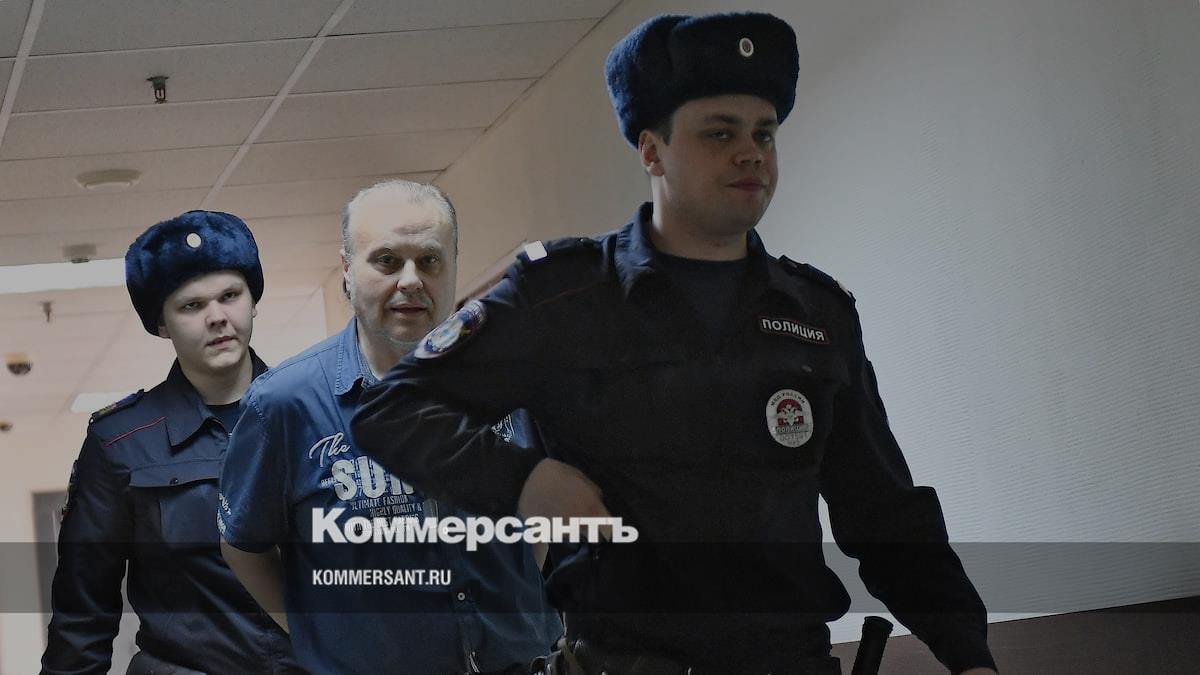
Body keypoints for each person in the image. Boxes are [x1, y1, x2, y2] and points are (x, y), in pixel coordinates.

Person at [351, 12, 1000, 675]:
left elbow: (886, 515)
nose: (751, 153)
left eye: (764, 134)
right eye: (720, 132)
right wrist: (524, 480)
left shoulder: (817, 314)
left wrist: (969, 655)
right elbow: (390, 412)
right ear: (652, 150)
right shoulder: (561, 297)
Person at [217, 180, 561, 674]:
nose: (411, 281)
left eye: (430, 260)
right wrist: (322, 637)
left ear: (454, 264)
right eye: (387, 261)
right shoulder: (284, 405)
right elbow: (244, 547)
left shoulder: (515, 380)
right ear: (347, 269)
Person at [43, 211, 303, 674]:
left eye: (230, 296)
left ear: (253, 301)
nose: (218, 317)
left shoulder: (313, 416)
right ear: (162, 324)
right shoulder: (120, 442)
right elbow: (83, 616)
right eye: (191, 306)